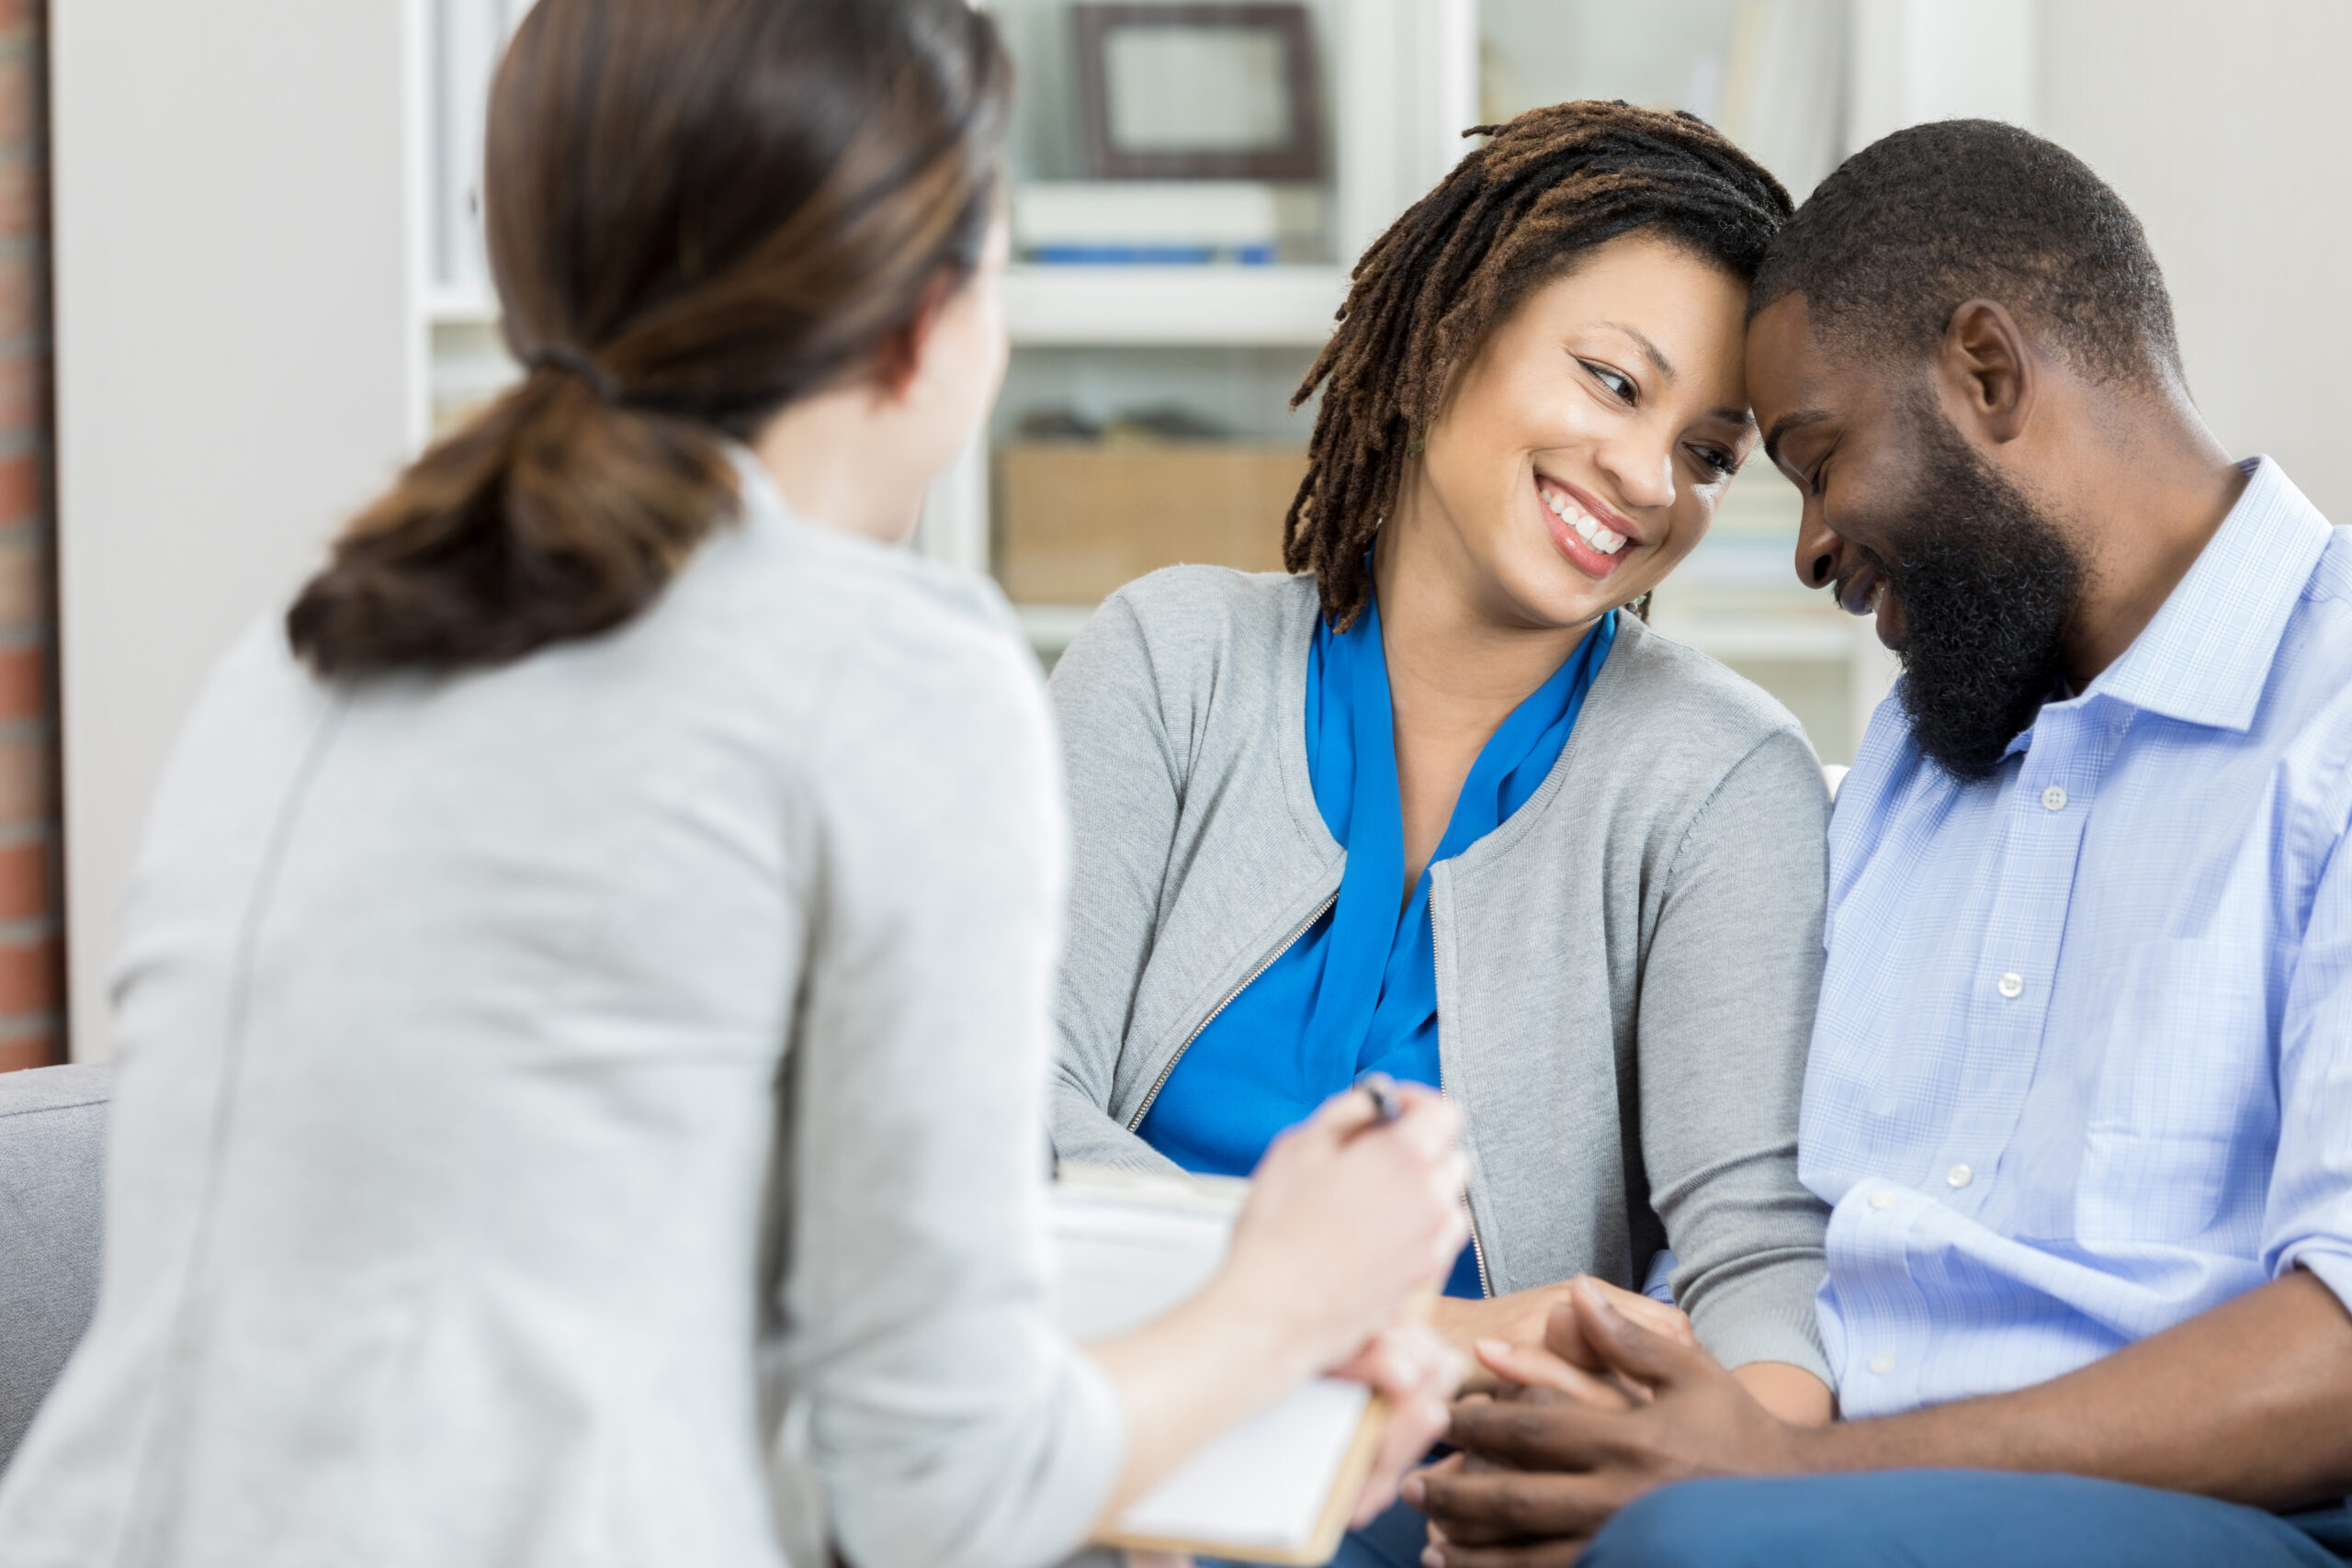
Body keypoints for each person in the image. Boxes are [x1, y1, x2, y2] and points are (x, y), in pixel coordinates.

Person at [0, 4, 1475, 1566]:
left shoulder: (323, 640)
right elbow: (946, 1497)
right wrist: (1289, 1298)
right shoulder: (892, 681)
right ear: (929, 319)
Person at [1405, 119, 2352, 1568]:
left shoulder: (2331, 714)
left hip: (2182, 1520)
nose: (1803, 546)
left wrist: (1774, 1474)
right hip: (1781, 1465)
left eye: (1812, 457)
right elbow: (1750, 1219)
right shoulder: (1921, 754)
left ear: (1987, 372)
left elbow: (2338, 1355)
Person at [1045, 102, 1839, 1566]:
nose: (1650, 480)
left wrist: (1707, 1485)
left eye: (1712, 453)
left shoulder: (1723, 781)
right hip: (1089, 1482)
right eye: (1611, 382)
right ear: (1441, 336)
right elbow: (1001, 1130)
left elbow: (1764, 1270)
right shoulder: (1168, 663)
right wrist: (1430, 1323)